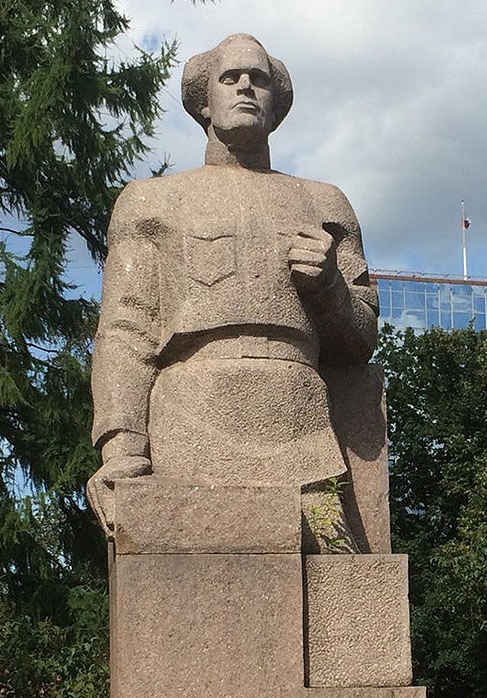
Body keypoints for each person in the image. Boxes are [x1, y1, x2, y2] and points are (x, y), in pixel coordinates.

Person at [87, 34, 379, 553]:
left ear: (276, 104)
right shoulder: (154, 202)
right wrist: (122, 447)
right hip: (192, 420)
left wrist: (330, 286)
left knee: (342, 579)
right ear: (204, 101)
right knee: (191, 592)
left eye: (259, 78)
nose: (246, 86)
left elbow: (360, 342)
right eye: (231, 77)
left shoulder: (324, 203)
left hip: (300, 421)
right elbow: (125, 332)